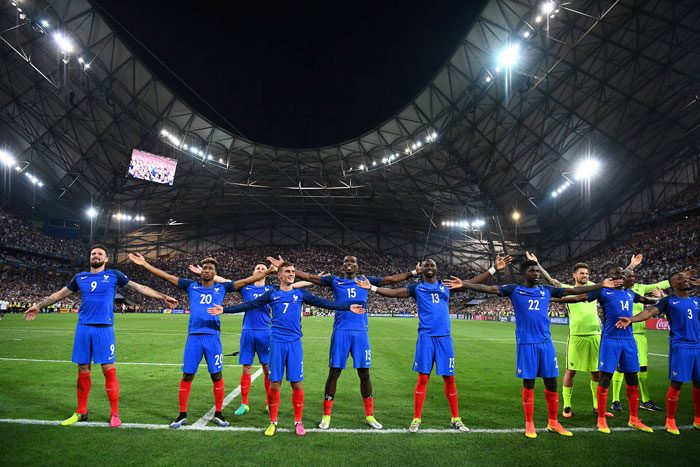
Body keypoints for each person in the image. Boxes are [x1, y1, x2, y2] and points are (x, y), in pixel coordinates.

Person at [268, 254, 453, 430]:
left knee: (364, 373)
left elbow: (389, 281)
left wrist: (413, 273)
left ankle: (370, 415)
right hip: (340, 332)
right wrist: (287, 266)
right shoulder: (335, 281)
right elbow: (310, 277)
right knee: (334, 373)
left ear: (357, 266)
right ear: (343, 265)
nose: (349, 264)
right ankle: (326, 415)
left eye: (353, 262)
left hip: (361, 333)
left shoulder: (365, 280)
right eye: (346, 261)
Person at [446, 259, 619, 438]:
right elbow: (490, 289)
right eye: (532, 271)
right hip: (526, 343)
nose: (536, 273)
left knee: (551, 382)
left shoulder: (546, 291)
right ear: (524, 274)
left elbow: (572, 290)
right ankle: (529, 424)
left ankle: (553, 422)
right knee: (529, 383)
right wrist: (464, 283)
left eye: (537, 271)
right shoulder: (514, 290)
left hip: (546, 343)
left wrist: (600, 285)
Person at [23, 245, 178, 428]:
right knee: (82, 368)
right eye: (93, 253)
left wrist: (163, 297)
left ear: (105, 259)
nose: (96, 256)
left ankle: (114, 414)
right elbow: (59, 294)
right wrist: (39, 306)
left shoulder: (114, 275)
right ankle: (81, 412)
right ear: (90, 258)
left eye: (100, 254)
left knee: (108, 369)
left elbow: (140, 288)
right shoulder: (80, 277)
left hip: (104, 329)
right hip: (83, 328)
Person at [208, 261, 365, 437]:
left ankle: (298, 422)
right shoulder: (272, 294)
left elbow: (325, 303)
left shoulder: (300, 294)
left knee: (297, 384)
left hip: (295, 344)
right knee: (275, 384)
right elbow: (249, 305)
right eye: (288, 271)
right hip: (276, 343)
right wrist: (225, 309)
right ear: (279, 276)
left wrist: (347, 306)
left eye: (292, 271)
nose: (291, 274)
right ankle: (273, 422)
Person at [356, 256, 512, 433]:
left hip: (445, 339)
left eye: (432, 265)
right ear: (421, 269)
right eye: (426, 265)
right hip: (426, 338)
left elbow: (471, 282)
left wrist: (493, 269)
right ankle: (416, 419)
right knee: (423, 378)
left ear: (436, 269)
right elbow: (396, 293)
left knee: (450, 379)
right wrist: (373, 288)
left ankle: (456, 418)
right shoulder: (417, 288)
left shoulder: (446, 285)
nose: (429, 267)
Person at [128, 252, 274, 428]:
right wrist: (145, 264)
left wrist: (267, 272)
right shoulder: (191, 286)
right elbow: (166, 276)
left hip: (213, 338)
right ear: (201, 271)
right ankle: (182, 415)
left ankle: (219, 414)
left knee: (217, 375)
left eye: (210, 268)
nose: (207, 270)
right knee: (187, 375)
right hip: (194, 339)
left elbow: (246, 280)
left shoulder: (222, 288)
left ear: (214, 273)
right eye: (205, 268)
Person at [188, 262, 315, 417]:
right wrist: (203, 271)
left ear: (267, 273)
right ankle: (244, 403)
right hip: (248, 332)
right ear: (254, 272)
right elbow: (224, 281)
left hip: (266, 332)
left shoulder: (272, 289)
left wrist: (311, 280)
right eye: (258, 269)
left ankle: (269, 403)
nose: (261, 270)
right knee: (246, 368)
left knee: (267, 369)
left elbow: (294, 285)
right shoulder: (246, 287)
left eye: (263, 269)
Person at [569, 266, 659, 433]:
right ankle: (601, 419)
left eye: (622, 274)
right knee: (605, 379)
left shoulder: (630, 294)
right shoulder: (603, 292)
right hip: (610, 340)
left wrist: (660, 299)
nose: (620, 276)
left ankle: (634, 419)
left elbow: (648, 302)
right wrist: (553, 299)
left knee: (632, 378)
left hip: (629, 340)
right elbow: (576, 297)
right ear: (608, 278)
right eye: (615, 274)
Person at [526, 252, 613, 418]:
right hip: (577, 336)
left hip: (595, 335)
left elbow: (618, 279)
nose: (585, 275)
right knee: (571, 371)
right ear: (575, 275)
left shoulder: (595, 287)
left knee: (596, 372)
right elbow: (551, 281)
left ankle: (597, 406)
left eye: (587, 273)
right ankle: (567, 406)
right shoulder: (568, 290)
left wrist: (631, 266)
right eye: (581, 273)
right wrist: (537, 263)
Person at [615, 269, 700, 434]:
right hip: (680, 346)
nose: (684, 280)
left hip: (698, 346)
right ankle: (670, 421)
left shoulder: (697, 300)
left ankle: (697, 419)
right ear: (672, 284)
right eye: (679, 278)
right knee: (677, 384)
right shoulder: (668, 301)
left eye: (685, 278)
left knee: (699, 383)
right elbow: (648, 312)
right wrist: (631, 319)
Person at [610, 254, 670, 413]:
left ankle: (645, 400)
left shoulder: (640, 288)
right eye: (630, 276)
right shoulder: (616, 290)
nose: (633, 279)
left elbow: (659, 284)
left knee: (643, 369)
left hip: (640, 335)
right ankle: (615, 400)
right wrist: (631, 265)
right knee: (620, 369)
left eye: (634, 277)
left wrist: (677, 280)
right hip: (623, 334)